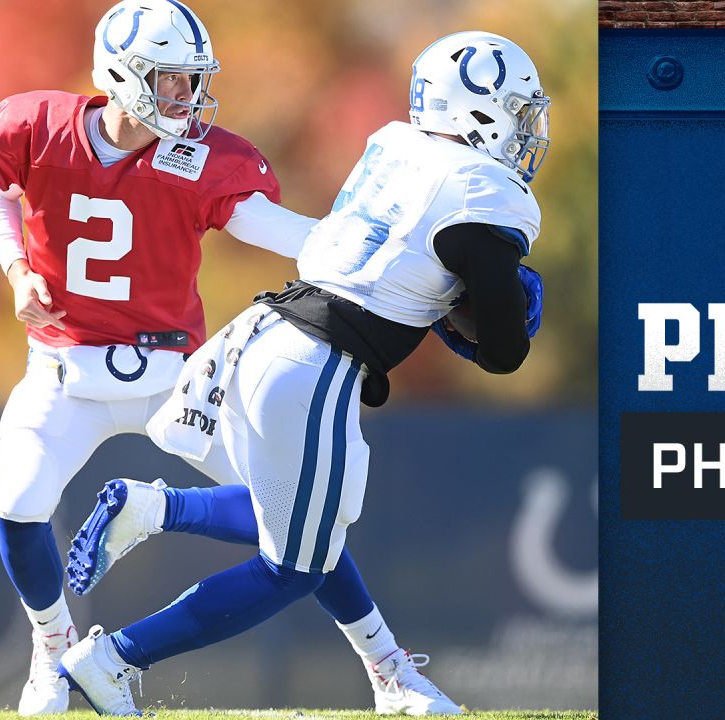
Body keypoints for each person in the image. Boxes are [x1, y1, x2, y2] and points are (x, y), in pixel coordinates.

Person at [0, 1, 454, 715]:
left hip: (172, 376)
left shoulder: (198, 158)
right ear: (120, 75)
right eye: (170, 80)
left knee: (300, 521)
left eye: (192, 80)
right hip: (64, 368)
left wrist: (381, 254)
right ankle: (52, 651)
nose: (187, 97)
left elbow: (281, 230)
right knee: (16, 503)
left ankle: (388, 668)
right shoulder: (37, 127)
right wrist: (17, 269)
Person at [55, 29, 549, 716]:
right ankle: (111, 659)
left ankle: (390, 678)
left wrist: (444, 298)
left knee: (309, 524)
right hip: (314, 365)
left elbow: (404, 262)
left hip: (265, 337)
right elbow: (503, 351)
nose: (528, 130)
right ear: (481, 113)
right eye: (519, 112)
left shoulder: (395, 144)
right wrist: (491, 307)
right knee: (295, 566)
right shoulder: (486, 194)